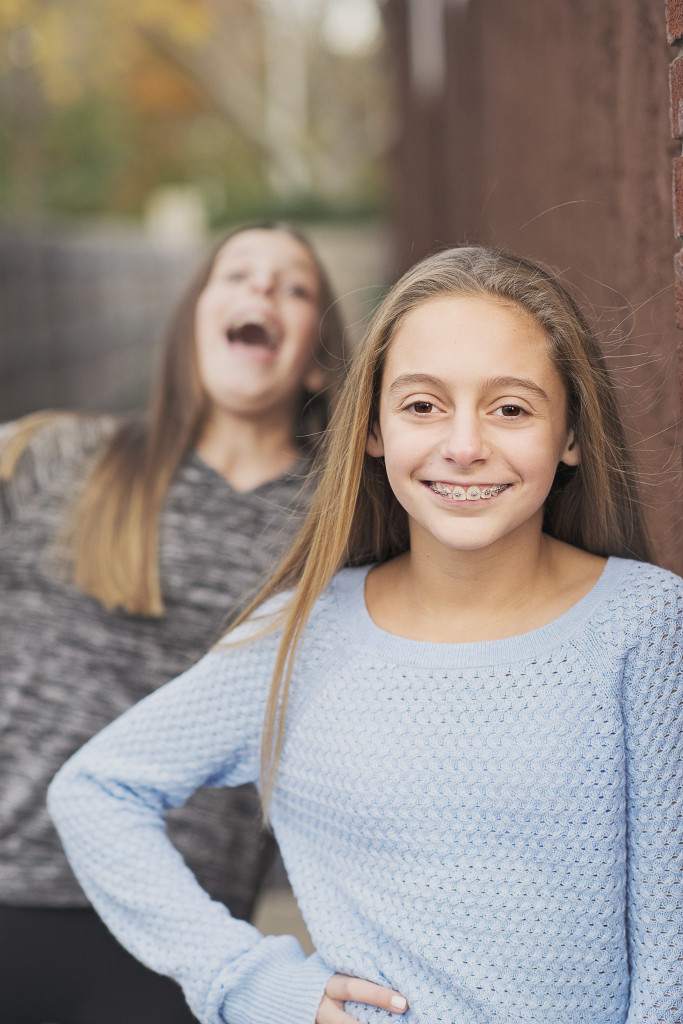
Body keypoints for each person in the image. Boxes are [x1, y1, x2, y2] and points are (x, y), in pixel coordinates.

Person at [49, 246, 683, 1024]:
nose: (462, 445)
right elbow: (96, 789)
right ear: (373, 428)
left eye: (509, 408)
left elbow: (671, 954)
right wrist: (248, 981)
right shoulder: (299, 636)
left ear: (572, 433)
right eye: (422, 405)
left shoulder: (644, 626)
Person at [1, 222, 345, 1023]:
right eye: (236, 275)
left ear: (320, 359)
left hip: (177, 931)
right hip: (10, 885)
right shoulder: (53, 455)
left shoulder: (335, 529)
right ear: (192, 321)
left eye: (292, 287)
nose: (260, 290)